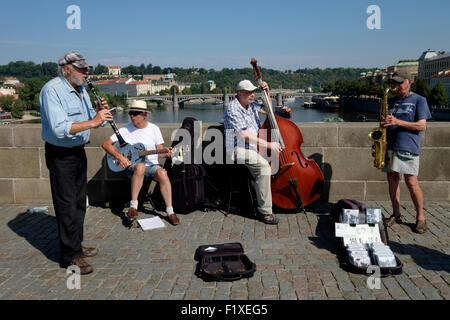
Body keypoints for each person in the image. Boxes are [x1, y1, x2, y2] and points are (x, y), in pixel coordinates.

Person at [40, 51, 113, 274]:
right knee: (67, 205)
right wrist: (94, 120)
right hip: (60, 154)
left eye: (86, 68)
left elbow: (90, 122)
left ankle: (76, 245)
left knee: (80, 203)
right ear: (67, 69)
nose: (86, 72)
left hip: (77, 152)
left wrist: (100, 114)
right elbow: (60, 128)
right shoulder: (52, 90)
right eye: (82, 69)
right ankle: (70, 256)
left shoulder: (81, 90)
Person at [101, 100, 180, 226]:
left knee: (162, 173)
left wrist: (167, 153)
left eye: (135, 113)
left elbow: (160, 151)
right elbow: (105, 144)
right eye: (131, 113)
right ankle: (133, 206)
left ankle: (170, 211)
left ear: (144, 115)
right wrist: (120, 157)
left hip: (152, 166)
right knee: (140, 166)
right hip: (132, 167)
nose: (132, 116)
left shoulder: (154, 129)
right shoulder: (125, 129)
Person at [223, 80, 282, 225]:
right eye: (249, 92)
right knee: (264, 167)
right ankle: (265, 213)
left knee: (273, 162)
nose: (252, 95)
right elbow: (244, 135)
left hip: (253, 147)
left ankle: (271, 198)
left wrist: (267, 92)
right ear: (239, 93)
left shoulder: (252, 105)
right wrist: (268, 144)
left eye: (253, 92)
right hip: (237, 149)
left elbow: (268, 110)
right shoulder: (233, 108)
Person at [381, 70, 431, 234]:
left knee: (411, 182)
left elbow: (421, 126)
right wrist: (384, 124)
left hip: (408, 146)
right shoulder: (393, 101)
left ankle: (420, 217)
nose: (396, 86)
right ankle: (396, 214)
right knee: (392, 179)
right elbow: (386, 123)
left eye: (400, 83)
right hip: (390, 145)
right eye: (394, 83)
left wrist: (397, 121)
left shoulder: (419, 100)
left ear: (410, 82)